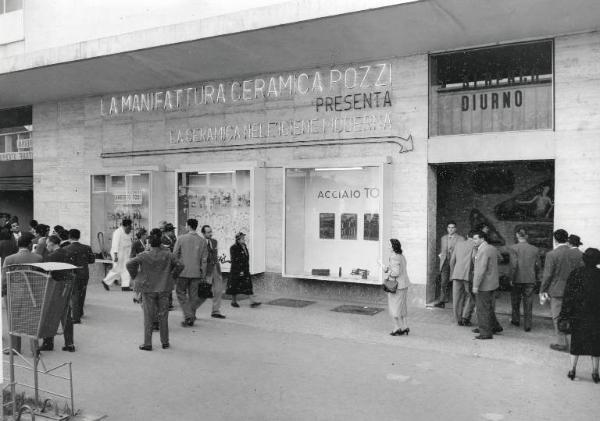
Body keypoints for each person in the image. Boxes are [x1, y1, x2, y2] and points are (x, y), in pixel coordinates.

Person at [126, 228, 184, 351]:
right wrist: (172, 276)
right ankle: (165, 342)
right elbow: (180, 265)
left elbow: (129, 264)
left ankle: (148, 343)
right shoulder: (168, 254)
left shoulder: (144, 255)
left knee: (148, 317)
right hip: (164, 288)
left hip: (148, 289)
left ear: (149, 244)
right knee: (163, 316)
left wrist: (135, 276)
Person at [559, 248, 600, 383]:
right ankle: (595, 372)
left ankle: (572, 370)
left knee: (576, 342)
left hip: (578, 314)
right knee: (595, 344)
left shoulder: (576, 273)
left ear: (584, 259)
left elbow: (568, 296)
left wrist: (565, 314)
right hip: (596, 315)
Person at [1, 233, 43, 354]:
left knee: (14, 320)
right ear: (30, 244)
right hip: (33, 293)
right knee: (32, 320)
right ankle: (35, 350)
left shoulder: (9, 259)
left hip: (13, 293)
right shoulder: (38, 258)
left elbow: (4, 279)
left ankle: (15, 348)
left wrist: (3, 291)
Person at [541, 229, 579, 352]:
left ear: (555, 239)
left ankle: (561, 343)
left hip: (557, 290)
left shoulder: (552, 254)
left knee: (557, 317)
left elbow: (547, 275)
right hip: (574, 290)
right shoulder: (577, 253)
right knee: (573, 316)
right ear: (567, 239)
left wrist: (543, 290)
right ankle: (574, 342)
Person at [40, 235, 76, 352]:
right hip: (67, 285)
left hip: (55, 286)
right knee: (66, 314)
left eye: (47, 243)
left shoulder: (51, 256)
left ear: (52, 243)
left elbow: (45, 272)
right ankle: (69, 344)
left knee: (50, 314)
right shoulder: (67, 253)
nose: (46, 246)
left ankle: (48, 343)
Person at [173, 219, 208, 327]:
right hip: (196, 273)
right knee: (194, 296)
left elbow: (174, 255)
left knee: (180, 292)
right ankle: (191, 317)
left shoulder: (181, 238)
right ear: (196, 227)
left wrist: (175, 268)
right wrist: (203, 273)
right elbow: (204, 260)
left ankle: (188, 315)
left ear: (188, 226)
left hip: (182, 272)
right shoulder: (202, 241)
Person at [472, 231, 503, 340]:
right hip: (493, 283)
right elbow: (500, 259)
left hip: (484, 285)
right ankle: (494, 326)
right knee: (488, 307)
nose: (473, 241)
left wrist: (475, 285)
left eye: (475, 239)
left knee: (482, 309)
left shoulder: (482, 250)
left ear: (482, 239)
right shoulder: (492, 248)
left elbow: (480, 270)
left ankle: (485, 332)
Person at [508, 228, 540, 332]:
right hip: (530, 278)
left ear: (517, 235)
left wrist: (511, 278)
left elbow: (513, 265)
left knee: (515, 300)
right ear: (526, 236)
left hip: (517, 278)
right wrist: (536, 276)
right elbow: (538, 265)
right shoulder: (535, 249)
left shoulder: (513, 248)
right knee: (528, 301)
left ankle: (516, 320)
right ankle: (527, 324)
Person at [64, 229, 95, 323]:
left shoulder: (66, 248)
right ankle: (80, 312)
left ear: (69, 236)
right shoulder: (87, 248)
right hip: (84, 273)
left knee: (74, 294)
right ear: (79, 236)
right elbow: (92, 260)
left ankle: (76, 317)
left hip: (72, 273)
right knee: (82, 293)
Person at [450, 230, 477, 326]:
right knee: (471, 297)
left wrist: (452, 273)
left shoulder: (458, 244)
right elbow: (474, 259)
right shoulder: (474, 246)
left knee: (457, 298)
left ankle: (458, 320)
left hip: (456, 274)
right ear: (474, 238)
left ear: (466, 235)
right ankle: (465, 317)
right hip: (468, 275)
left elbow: (452, 260)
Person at [227, 232, 261, 308]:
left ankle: (252, 302)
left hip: (245, 269)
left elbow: (246, 257)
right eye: (242, 238)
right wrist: (240, 270)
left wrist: (245, 268)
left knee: (248, 285)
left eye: (243, 238)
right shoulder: (233, 247)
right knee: (234, 286)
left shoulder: (244, 246)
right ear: (238, 240)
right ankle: (233, 301)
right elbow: (234, 260)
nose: (244, 239)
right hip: (237, 270)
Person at [435, 221, 464, 308]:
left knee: (457, 282)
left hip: (455, 263)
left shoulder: (460, 238)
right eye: (449, 227)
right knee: (443, 282)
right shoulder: (443, 238)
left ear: (456, 229)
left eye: (452, 228)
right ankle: (442, 301)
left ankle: (458, 302)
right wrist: (442, 256)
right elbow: (442, 250)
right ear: (447, 229)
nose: (450, 229)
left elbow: (462, 251)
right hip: (445, 263)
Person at [384, 239, 410, 336]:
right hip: (404, 284)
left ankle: (396, 327)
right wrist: (389, 269)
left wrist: (387, 271)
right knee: (402, 307)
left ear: (393, 246)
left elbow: (395, 273)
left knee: (394, 307)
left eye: (389, 245)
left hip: (396, 286)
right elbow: (399, 269)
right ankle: (405, 326)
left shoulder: (393, 257)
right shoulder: (401, 256)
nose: (388, 247)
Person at [200, 225, 226, 319]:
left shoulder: (214, 242)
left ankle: (216, 311)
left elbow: (215, 255)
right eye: (208, 232)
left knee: (218, 290)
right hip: (207, 270)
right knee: (203, 293)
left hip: (216, 268)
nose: (210, 234)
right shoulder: (200, 242)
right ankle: (191, 311)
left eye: (211, 231)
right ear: (203, 233)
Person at [103, 219, 133, 291]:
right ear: (124, 226)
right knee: (117, 269)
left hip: (126, 254)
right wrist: (115, 255)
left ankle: (125, 286)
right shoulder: (117, 232)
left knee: (126, 269)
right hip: (118, 254)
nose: (130, 228)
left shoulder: (128, 232)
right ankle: (106, 281)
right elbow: (115, 244)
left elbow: (129, 243)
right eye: (129, 227)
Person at [130, 228, 148, 305]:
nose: (147, 235)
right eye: (145, 234)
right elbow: (132, 255)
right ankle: (136, 297)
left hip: (144, 265)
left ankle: (139, 297)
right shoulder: (136, 243)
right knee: (138, 282)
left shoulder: (145, 243)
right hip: (138, 265)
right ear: (142, 235)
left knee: (143, 281)